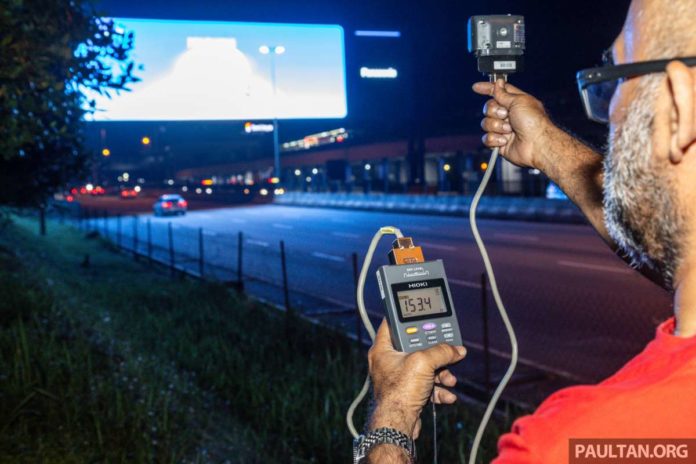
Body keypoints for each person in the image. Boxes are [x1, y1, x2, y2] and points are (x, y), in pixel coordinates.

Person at [363, 0, 696, 462]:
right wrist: (544, 143)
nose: (609, 104)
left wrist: (391, 418)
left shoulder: (572, 445)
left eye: (618, 75)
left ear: (681, 106)